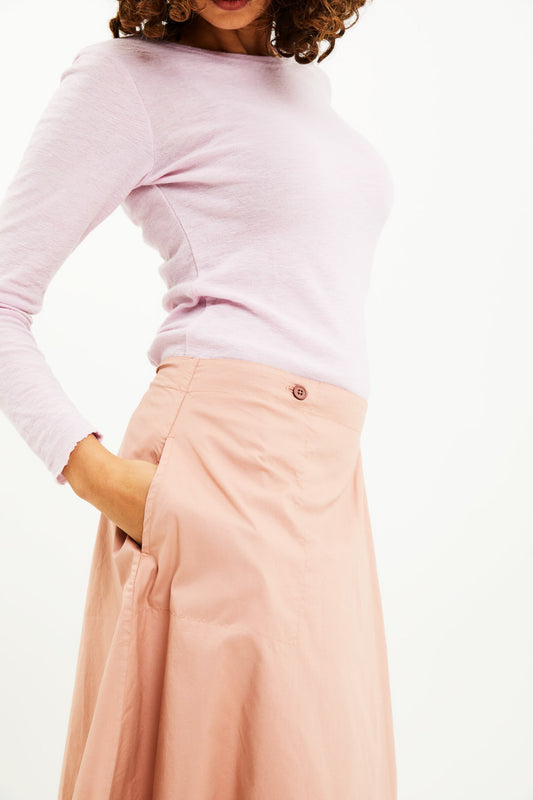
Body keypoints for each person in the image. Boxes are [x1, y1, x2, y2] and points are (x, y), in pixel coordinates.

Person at [0, 0, 397, 796]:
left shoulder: (302, 88)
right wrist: (97, 476)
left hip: (327, 484)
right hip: (217, 462)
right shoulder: (128, 80)